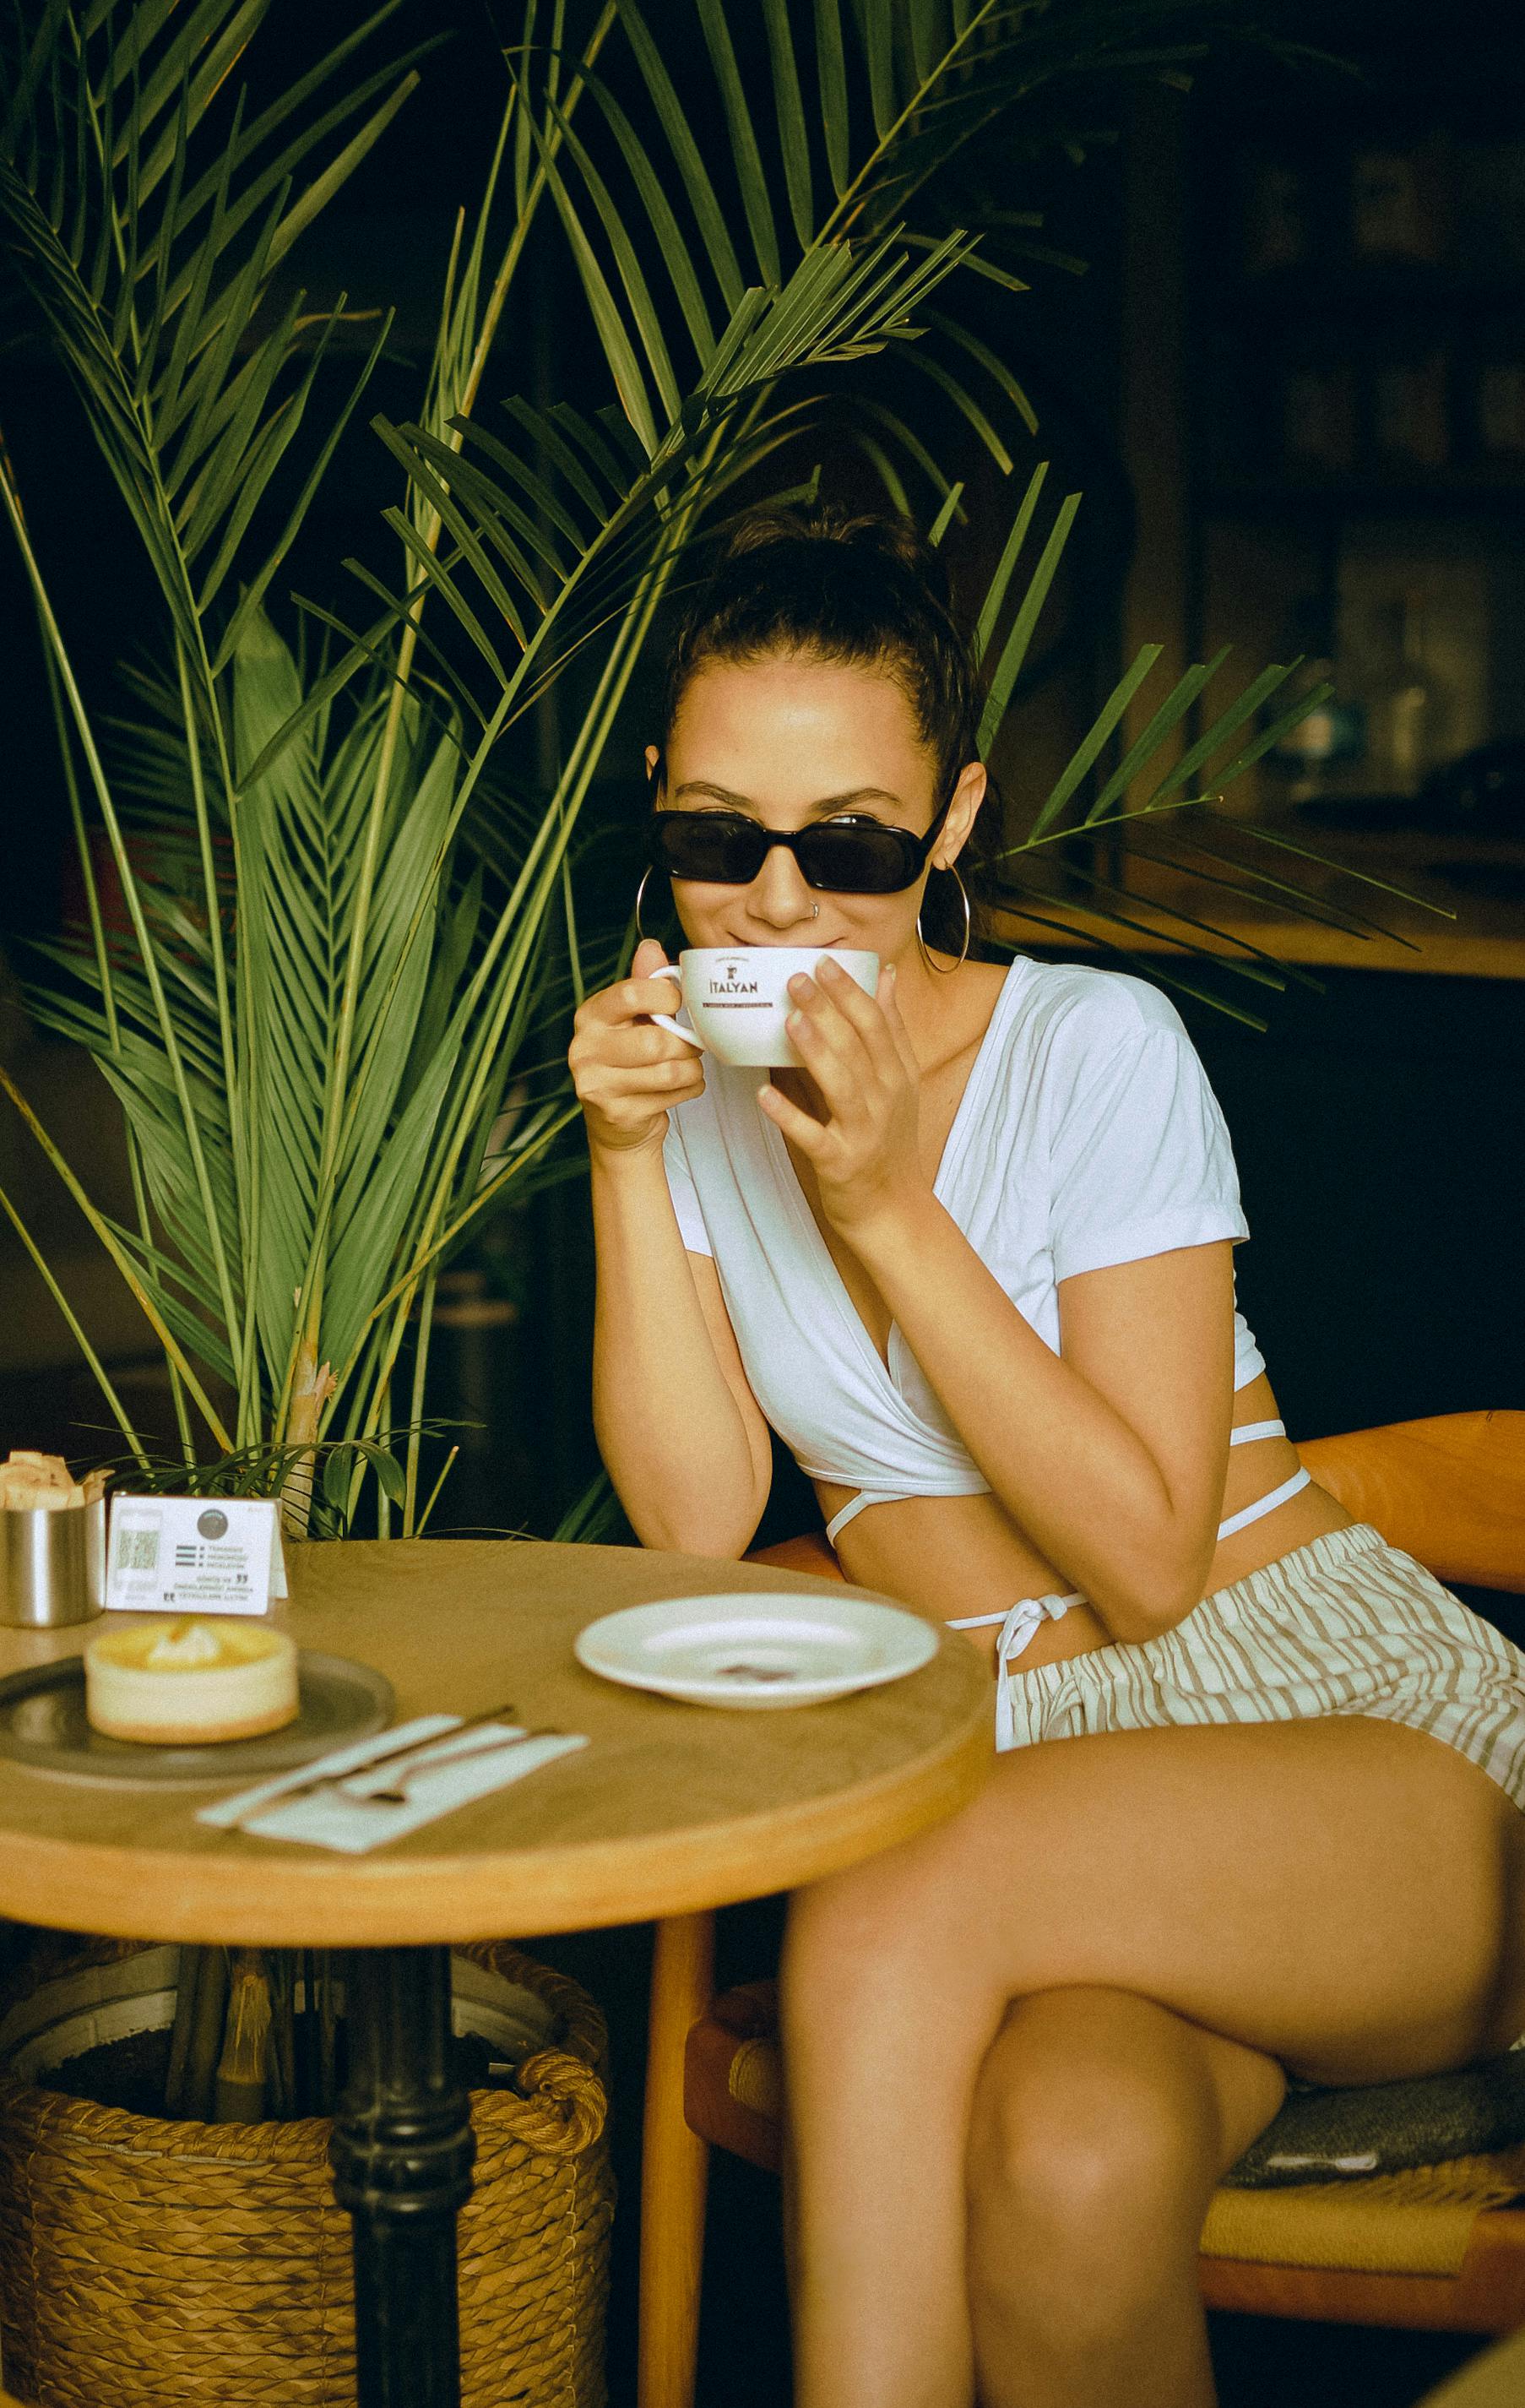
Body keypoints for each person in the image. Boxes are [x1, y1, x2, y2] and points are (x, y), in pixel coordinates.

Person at [568, 505, 1525, 2408]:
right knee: (1064, 2163)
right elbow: (692, 1517)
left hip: (1340, 1743)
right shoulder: (689, 1106)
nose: (774, 903)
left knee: (888, 1886)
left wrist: (888, 1204)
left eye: (845, 841)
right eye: (712, 841)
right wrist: (622, 1158)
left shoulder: (1100, 1047)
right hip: (1053, 1810)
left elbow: (1153, 1560)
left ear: (951, 823)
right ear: (661, 820)